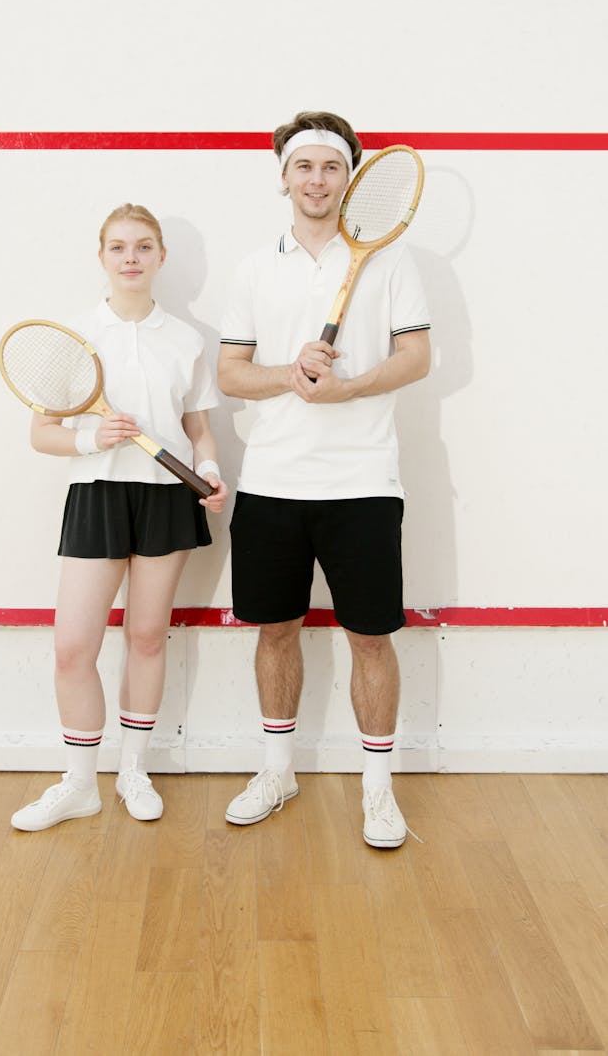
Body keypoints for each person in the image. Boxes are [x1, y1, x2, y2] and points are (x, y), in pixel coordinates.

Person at [218, 112, 430, 848]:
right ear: (283, 175)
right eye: (303, 165)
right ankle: (277, 770)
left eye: (331, 167)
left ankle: (379, 790)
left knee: (370, 637)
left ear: (350, 178)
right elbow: (230, 372)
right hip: (273, 482)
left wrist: (351, 388)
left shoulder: (390, 260)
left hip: (365, 482)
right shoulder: (253, 268)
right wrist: (288, 372)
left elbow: (416, 358)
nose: (317, 179)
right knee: (275, 629)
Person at [12, 203, 228, 831]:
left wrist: (210, 473)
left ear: (161, 257)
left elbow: (199, 430)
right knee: (72, 646)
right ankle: (79, 783)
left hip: (166, 497)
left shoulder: (187, 340)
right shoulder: (76, 336)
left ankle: (134, 770)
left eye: (143, 246)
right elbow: (42, 433)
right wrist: (93, 439)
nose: (130, 257)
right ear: (101, 257)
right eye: (117, 247)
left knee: (144, 637)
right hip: (98, 495)